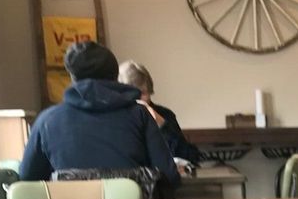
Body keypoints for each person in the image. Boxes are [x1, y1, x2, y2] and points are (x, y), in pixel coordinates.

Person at [19, 42, 180, 189]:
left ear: (73, 77)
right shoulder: (140, 115)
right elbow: (170, 177)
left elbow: (27, 181)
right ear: (114, 76)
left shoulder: (47, 120)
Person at [117, 60, 201, 165]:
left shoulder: (164, 114)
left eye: (142, 93)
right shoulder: (116, 118)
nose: (138, 99)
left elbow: (189, 156)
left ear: (149, 91)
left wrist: (162, 124)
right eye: (131, 93)